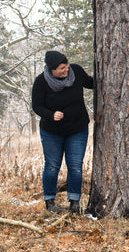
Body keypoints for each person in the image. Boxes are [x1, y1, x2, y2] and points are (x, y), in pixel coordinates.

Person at [32, 50, 94, 214]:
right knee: (52, 166)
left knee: (75, 166)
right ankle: (50, 202)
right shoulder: (41, 82)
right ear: (51, 69)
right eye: (61, 69)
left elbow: (90, 82)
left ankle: (74, 203)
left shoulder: (76, 72)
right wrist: (50, 115)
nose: (66, 70)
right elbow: (36, 106)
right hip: (52, 131)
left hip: (77, 129)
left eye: (66, 66)